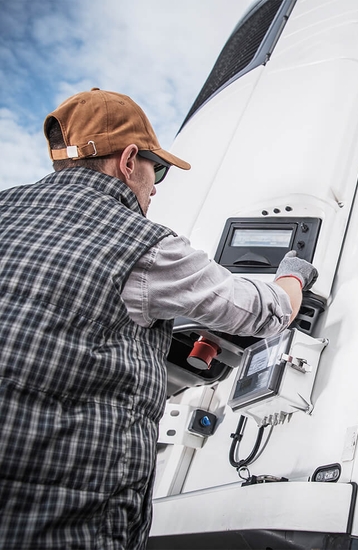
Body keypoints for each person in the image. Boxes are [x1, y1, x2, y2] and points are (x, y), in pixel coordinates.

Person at [0, 88, 317, 550]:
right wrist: (293, 276)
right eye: (158, 171)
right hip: (61, 523)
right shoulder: (139, 243)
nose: (154, 189)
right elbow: (262, 311)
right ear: (129, 161)